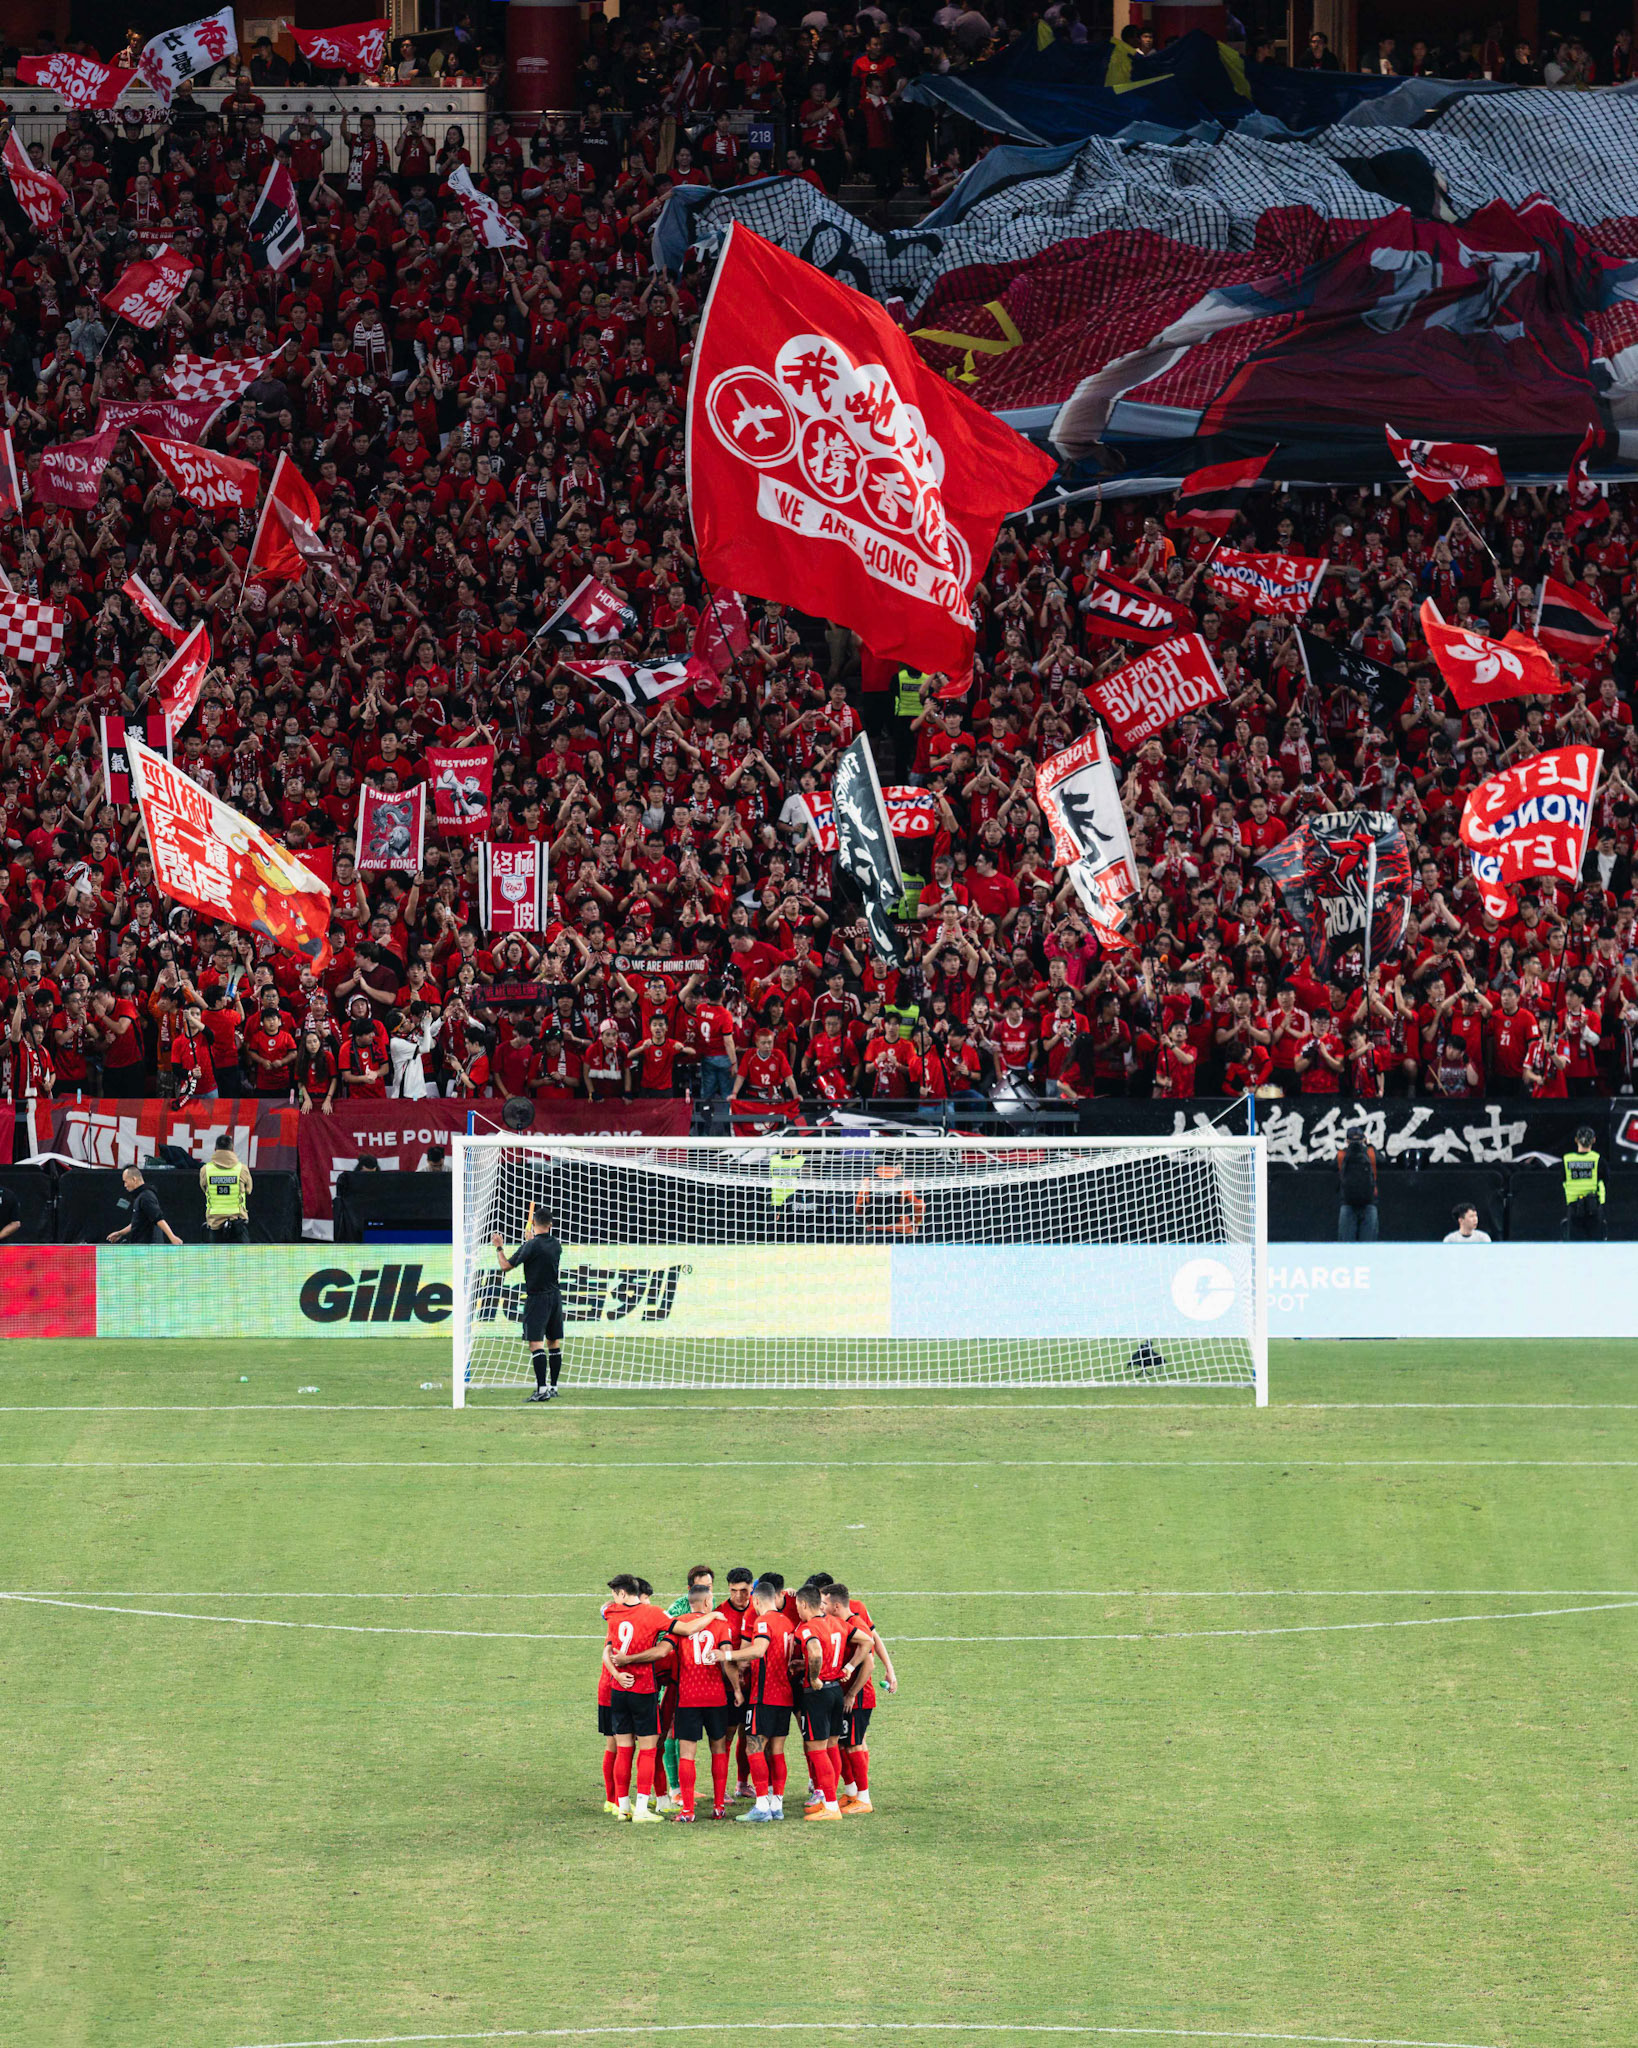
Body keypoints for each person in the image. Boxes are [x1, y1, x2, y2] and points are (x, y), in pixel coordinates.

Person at [659, 1572, 742, 1821]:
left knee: (687, 1754)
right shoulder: (721, 1624)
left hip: (688, 1698)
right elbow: (727, 1660)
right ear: (707, 1602)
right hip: (716, 1698)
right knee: (718, 1749)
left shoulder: (679, 1624)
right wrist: (737, 1689)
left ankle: (687, 1810)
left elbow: (665, 1652)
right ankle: (719, 1806)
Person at [725, 1576, 797, 1823]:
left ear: (756, 1600)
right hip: (784, 1695)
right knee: (776, 1750)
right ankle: (777, 1805)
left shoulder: (763, 1621)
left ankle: (761, 1806)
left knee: (753, 1748)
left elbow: (758, 1650)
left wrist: (727, 1655)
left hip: (764, 1695)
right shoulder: (787, 1622)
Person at [600, 1573, 671, 1821]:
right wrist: (710, 1617)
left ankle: (622, 1807)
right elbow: (675, 1634)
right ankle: (641, 1808)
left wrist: (618, 1676)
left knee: (623, 1750)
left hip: (617, 1690)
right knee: (648, 1750)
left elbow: (607, 1651)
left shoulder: (614, 1615)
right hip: (643, 1690)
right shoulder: (651, 1615)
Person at [490, 1203, 564, 1400]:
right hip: (555, 1297)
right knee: (553, 1342)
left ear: (533, 1223)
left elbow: (505, 1266)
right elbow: (540, 1249)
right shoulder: (556, 1244)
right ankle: (554, 1387)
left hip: (537, 1298)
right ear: (550, 1225)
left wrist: (499, 1246)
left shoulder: (530, 1246)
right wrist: (530, 1241)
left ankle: (541, 1391)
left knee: (535, 1344)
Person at [793, 1581, 850, 1820]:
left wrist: (813, 1676)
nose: (797, 1610)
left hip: (818, 1694)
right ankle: (830, 1800)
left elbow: (815, 1651)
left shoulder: (808, 1628)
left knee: (816, 1750)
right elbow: (865, 1640)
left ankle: (831, 1806)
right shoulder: (836, 1622)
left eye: (798, 1606)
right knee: (832, 1746)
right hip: (836, 1690)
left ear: (804, 1604)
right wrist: (848, 1667)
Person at [107, 1165, 183, 1245]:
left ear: (134, 1179)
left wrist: (172, 1237)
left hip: (149, 1248)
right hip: (141, 1246)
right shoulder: (140, 1197)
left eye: (125, 1181)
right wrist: (120, 1233)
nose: (125, 1185)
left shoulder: (146, 1197)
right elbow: (136, 1222)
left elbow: (158, 1218)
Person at [199, 1138, 253, 1245]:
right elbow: (249, 1190)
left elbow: (204, 1189)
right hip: (238, 1223)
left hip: (215, 1224)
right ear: (232, 1149)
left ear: (215, 1149)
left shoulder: (205, 1169)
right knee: (243, 1255)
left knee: (216, 1255)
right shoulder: (242, 1169)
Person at [1563, 1125, 1607, 1239]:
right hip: (1594, 1207)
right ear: (1593, 1140)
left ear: (1576, 1140)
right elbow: (1606, 1180)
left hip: (1574, 1207)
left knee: (1575, 1245)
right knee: (1595, 1244)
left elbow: (1562, 1180)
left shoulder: (1567, 1160)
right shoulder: (1598, 1160)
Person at [1336, 1132, 1379, 1242]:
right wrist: (1369, 1145)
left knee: (1346, 1245)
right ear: (1363, 1140)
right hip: (1369, 1201)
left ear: (1347, 1141)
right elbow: (1382, 1160)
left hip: (1347, 1201)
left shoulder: (1342, 1154)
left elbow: (1332, 1166)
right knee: (1368, 1245)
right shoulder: (1370, 1153)